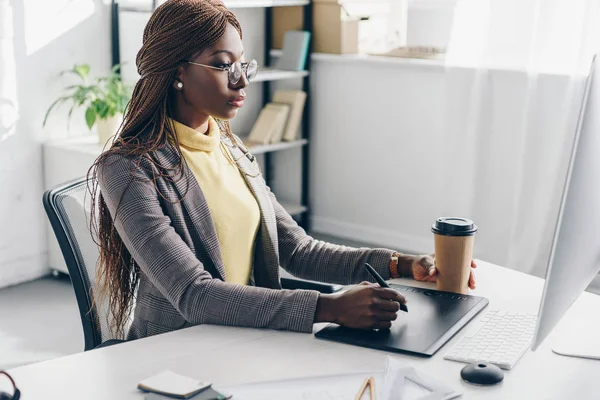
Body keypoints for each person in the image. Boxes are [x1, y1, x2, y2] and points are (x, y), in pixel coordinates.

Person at [89, 0, 476, 341]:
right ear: (177, 72)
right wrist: (329, 308)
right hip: (176, 356)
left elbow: (298, 250)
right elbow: (195, 294)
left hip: (244, 339)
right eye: (224, 66)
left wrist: (403, 264)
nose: (241, 81)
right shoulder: (128, 168)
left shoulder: (231, 148)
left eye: (244, 65)